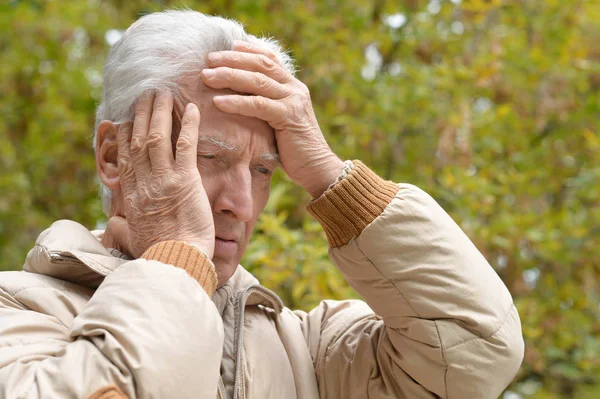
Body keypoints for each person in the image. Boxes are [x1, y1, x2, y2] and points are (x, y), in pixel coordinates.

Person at [0, 10, 523, 399]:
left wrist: (329, 176)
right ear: (115, 156)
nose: (242, 204)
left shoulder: (313, 354)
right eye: (207, 156)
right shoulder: (18, 311)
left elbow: (477, 352)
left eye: (264, 170)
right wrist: (178, 253)